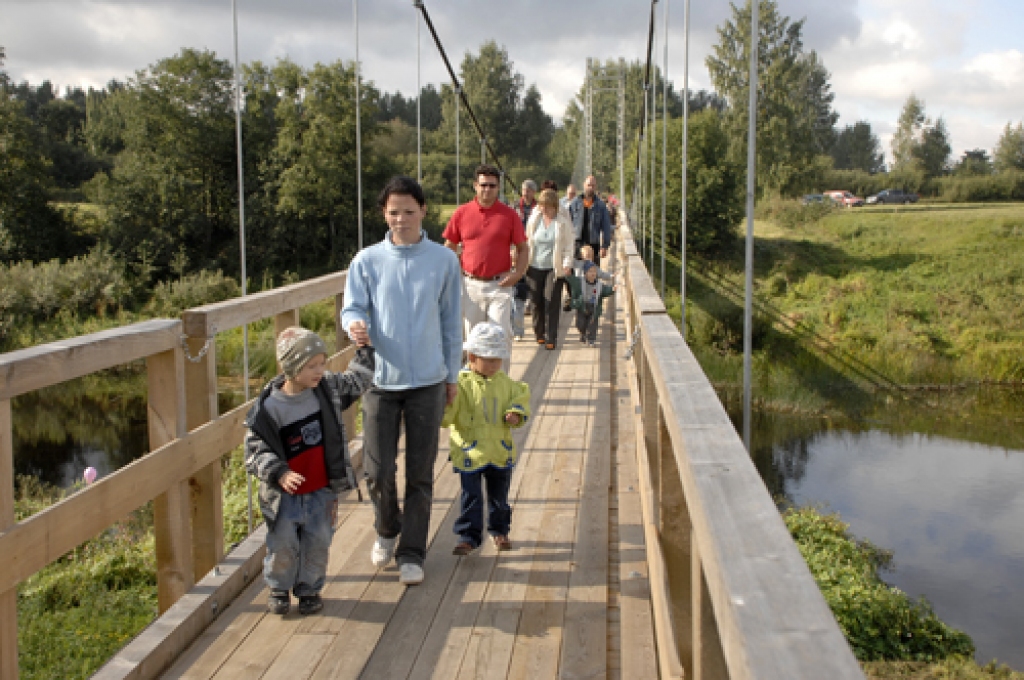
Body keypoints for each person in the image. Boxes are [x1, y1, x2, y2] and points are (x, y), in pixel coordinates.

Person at [341, 176, 463, 586]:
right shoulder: (367, 261)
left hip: (428, 380)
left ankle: (413, 552)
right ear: (383, 214)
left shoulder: (444, 261)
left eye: (409, 211)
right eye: (393, 212)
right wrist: (354, 324)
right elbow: (352, 307)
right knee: (376, 471)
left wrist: (451, 374)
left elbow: (450, 322)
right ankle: (386, 529)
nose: (401, 219)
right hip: (380, 380)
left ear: (424, 211)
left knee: (420, 472)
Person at [244, 327, 375, 615]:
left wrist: (364, 350)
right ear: (290, 367)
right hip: (284, 496)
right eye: (311, 366)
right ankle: (279, 588)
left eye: (322, 363)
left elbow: (358, 380)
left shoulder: (326, 390)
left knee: (318, 542)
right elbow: (255, 451)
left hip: (321, 490)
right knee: (283, 545)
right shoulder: (268, 408)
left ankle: (309, 590)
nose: (320, 371)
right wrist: (279, 472)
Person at [443, 323, 530, 555]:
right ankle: (468, 536)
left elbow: (521, 395)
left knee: (499, 497)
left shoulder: (505, 383)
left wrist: (516, 413)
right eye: (489, 360)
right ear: (472, 357)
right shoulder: (459, 384)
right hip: (469, 450)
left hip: (499, 451)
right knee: (471, 495)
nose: (494, 365)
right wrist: (443, 407)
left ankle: (499, 530)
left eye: (498, 360)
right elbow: (447, 417)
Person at [444, 164, 529, 373]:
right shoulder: (462, 213)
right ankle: (474, 384)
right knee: (473, 338)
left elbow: (523, 248)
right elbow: (448, 248)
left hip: (499, 284)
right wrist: (451, 276)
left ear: (498, 187)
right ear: (475, 185)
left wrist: (518, 273)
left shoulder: (509, 215)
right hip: (470, 284)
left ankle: (502, 383)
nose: (487, 190)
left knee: (500, 333)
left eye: (492, 185)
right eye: (483, 185)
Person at [524, 188, 575, 349]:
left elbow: (568, 246)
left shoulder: (562, 223)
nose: (543, 209)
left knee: (552, 301)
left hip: (554, 267)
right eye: (541, 205)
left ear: (554, 206)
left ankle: (551, 337)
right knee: (536, 301)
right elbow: (526, 241)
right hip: (534, 266)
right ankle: (539, 333)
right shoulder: (534, 220)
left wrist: (567, 264)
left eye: (547, 206)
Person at [566, 261, 616, 347]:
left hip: (594, 307)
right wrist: (568, 275)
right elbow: (572, 281)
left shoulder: (599, 285)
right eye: (590, 271)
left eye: (594, 271)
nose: (593, 273)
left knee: (593, 324)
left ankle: (591, 340)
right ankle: (583, 333)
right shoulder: (580, 282)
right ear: (585, 273)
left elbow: (604, 291)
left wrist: (612, 289)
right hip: (582, 306)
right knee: (580, 324)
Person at [567, 175, 613, 263]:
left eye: (593, 185)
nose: (591, 188)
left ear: (596, 187)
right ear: (584, 185)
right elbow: (568, 223)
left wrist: (605, 246)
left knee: (593, 273)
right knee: (577, 273)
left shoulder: (601, 206)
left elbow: (606, 227)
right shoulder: (575, 203)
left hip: (593, 244)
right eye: (589, 185)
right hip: (577, 243)